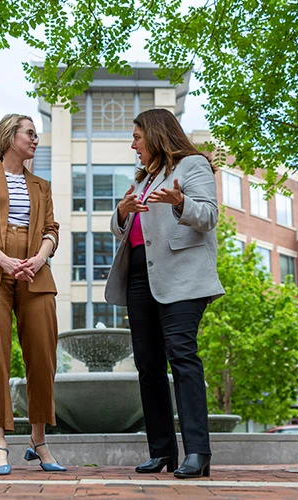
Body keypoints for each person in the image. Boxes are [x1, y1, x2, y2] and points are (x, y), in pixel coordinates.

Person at [105, 108, 225, 479]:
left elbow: (208, 216)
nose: (133, 144)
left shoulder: (192, 166)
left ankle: (197, 453)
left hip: (182, 277)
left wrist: (179, 202)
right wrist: (121, 212)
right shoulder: (143, 178)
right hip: (140, 275)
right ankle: (162, 452)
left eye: (137, 137)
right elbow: (126, 227)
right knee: (148, 366)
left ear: (155, 134)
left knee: (183, 357)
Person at [0, 113, 65, 475]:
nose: (35, 140)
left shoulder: (42, 185)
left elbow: (52, 228)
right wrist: (5, 260)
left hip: (36, 268)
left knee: (43, 355)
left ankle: (39, 442)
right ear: (9, 137)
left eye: (36, 135)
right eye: (30, 134)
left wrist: (38, 258)